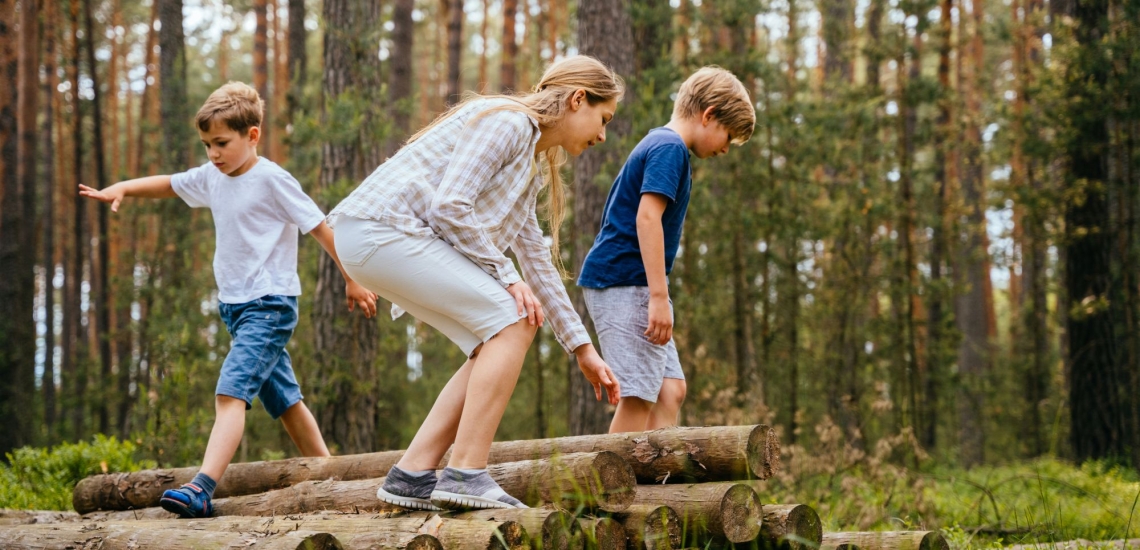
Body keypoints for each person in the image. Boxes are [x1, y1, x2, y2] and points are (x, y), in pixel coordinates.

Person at [327, 55, 622, 511]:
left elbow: (536, 262)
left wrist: (581, 347)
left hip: (375, 238)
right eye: (602, 119)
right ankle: (466, 473)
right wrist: (505, 278)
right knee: (513, 319)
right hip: (379, 229)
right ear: (577, 99)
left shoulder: (527, 163)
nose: (602, 136)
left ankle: (412, 473)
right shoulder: (510, 123)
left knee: (497, 335)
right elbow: (450, 205)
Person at [79, 81, 376, 518]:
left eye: (221, 143)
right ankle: (332, 477)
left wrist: (353, 278)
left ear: (252, 135)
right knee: (287, 403)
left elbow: (321, 228)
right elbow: (169, 184)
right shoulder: (212, 178)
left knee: (230, 392)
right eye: (206, 145)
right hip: (234, 308)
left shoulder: (273, 179)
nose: (213, 154)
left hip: (270, 305)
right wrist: (123, 186)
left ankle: (202, 487)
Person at [577, 66, 756, 434]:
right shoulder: (669, 148)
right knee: (640, 393)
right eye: (728, 136)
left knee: (670, 391)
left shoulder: (665, 146)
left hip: (633, 284)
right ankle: (609, 488)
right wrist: (659, 297)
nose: (725, 149)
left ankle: (656, 482)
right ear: (708, 116)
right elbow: (647, 218)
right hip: (624, 282)